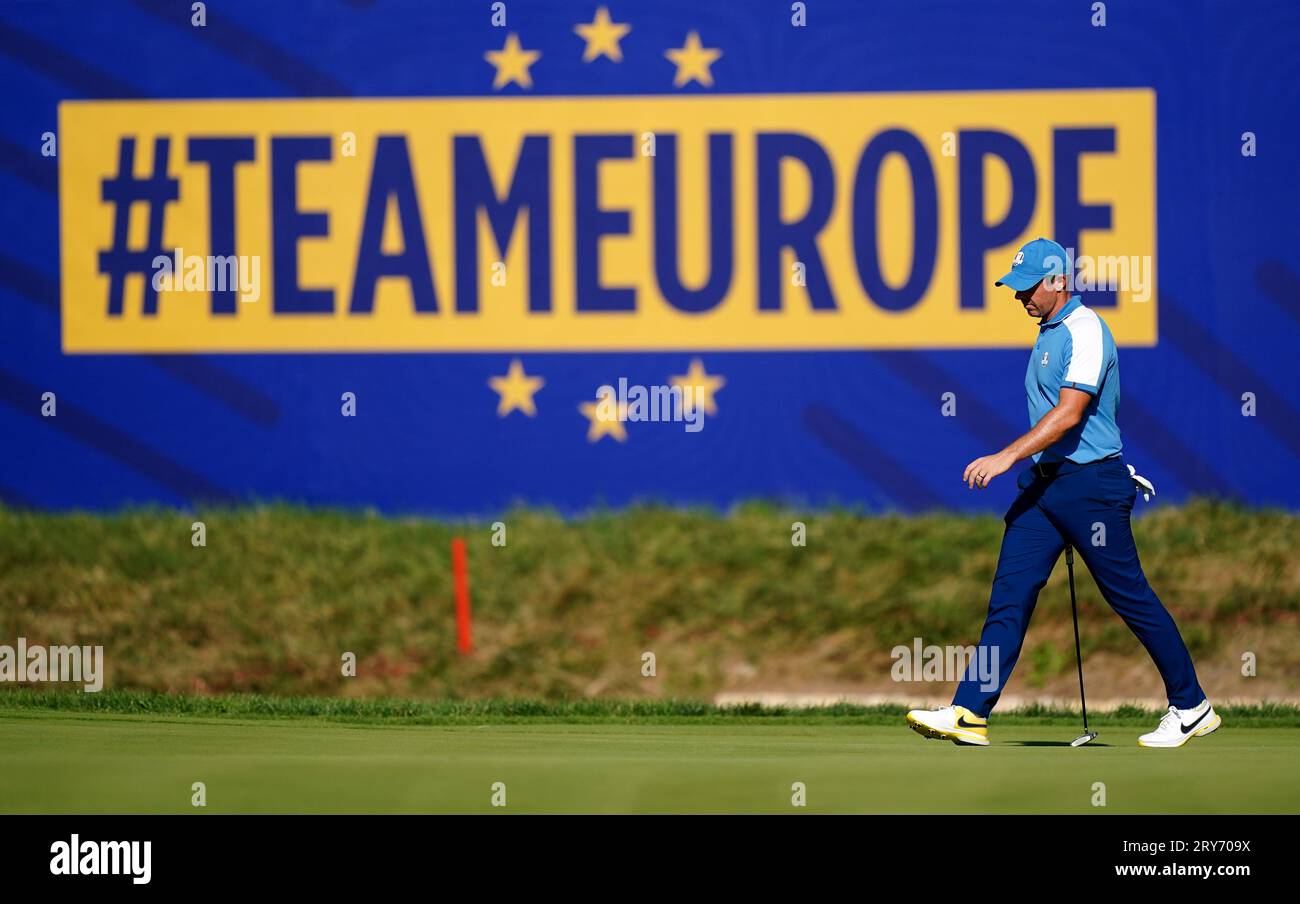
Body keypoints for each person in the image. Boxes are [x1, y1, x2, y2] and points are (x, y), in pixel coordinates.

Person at [906, 238, 1219, 748]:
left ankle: (1191, 706)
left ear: (1058, 281)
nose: (1019, 297)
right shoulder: (1048, 331)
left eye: (1027, 287)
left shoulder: (1086, 328)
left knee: (1129, 596)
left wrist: (1005, 456)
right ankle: (969, 711)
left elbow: (1072, 412)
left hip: (1090, 486)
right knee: (1009, 598)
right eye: (1015, 289)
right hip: (1045, 489)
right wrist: (1025, 465)